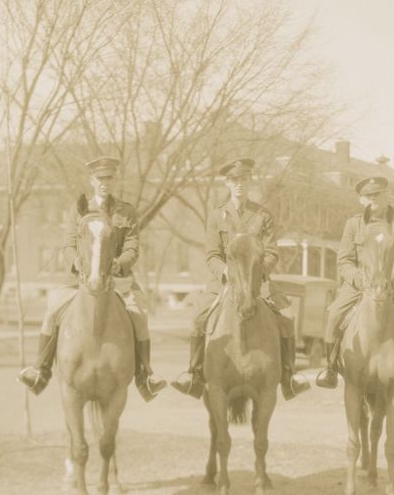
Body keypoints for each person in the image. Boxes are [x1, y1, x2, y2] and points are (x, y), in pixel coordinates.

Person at [17, 156, 165, 401]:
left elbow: (132, 247)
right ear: (92, 180)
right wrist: (74, 261)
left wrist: (120, 264)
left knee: (139, 315)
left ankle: (144, 375)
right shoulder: (80, 209)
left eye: (109, 178)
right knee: (53, 310)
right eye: (100, 179)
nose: (105, 183)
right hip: (81, 278)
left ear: (114, 179)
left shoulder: (126, 211)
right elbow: (68, 244)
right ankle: (40, 370)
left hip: (117, 279)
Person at [170, 157, 310, 401]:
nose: (239, 184)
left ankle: (289, 377)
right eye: (234, 180)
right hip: (224, 281)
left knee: (288, 317)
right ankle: (194, 375)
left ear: (249, 181)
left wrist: (257, 272)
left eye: (243, 179)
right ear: (227, 183)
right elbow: (212, 254)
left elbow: (272, 252)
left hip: (259, 281)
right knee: (198, 319)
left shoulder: (262, 215)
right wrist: (224, 271)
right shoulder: (217, 217)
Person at [315, 175, 394, 389]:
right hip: (358, 286)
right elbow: (344, 259)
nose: (373, 198)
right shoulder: (353, 224)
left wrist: (387, 279)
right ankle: (330, 369)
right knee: (334, 314)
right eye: (368, 195)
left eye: (377, 194)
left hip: (389, 284)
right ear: (361, 200)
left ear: (387, 196)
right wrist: (358, 278)